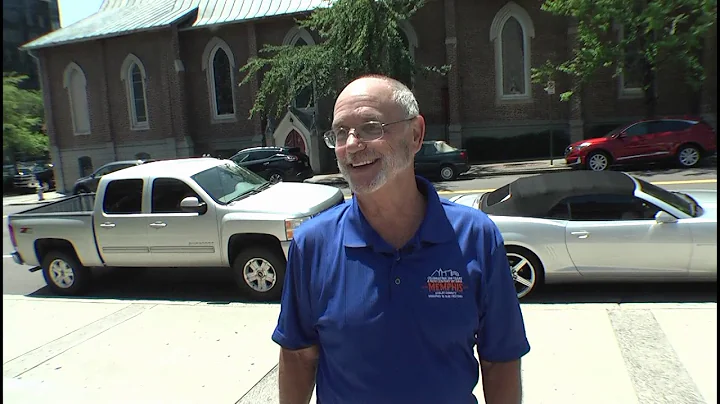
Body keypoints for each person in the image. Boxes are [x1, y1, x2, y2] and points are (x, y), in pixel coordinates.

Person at [272, 75, 530, 404]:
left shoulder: (476, 236)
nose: (351, 145)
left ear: (416, 134)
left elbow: (500, 359)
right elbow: (298, 356)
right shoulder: (312, 244)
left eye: (370, 127)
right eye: (340, 132)